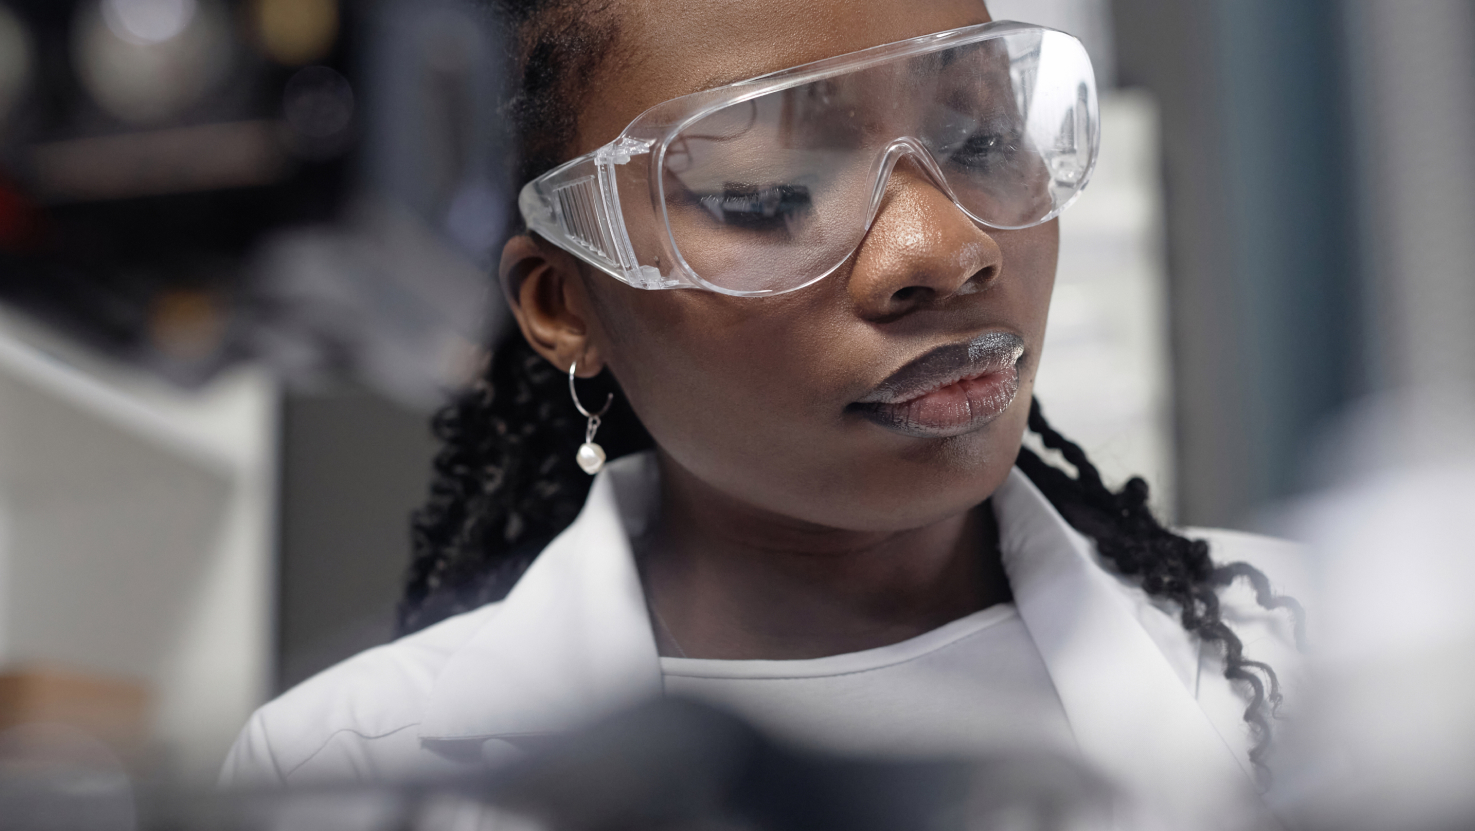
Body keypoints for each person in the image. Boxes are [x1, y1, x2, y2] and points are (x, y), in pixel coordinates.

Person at [222, 0, 1304, 825]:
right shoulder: (342, 773)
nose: (945, 248)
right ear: (564, 306)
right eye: (768, 191)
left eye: (981, 141)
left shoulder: (1316, 653)